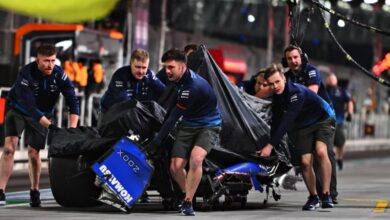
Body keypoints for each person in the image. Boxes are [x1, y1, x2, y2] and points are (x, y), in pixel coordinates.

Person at [0, 44, 80, 207]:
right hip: (18, 109)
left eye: (52, 60)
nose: (50, 65)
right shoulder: (26, 73)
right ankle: (0, 191)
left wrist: (72, 129)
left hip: (44, 113)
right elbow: (30, 107)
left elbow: (72, 100)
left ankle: (34, 190)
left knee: (33, 153)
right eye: (46, 61)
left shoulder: (60, 75)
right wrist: (51, 127)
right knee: (9, 148)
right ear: (37, 60)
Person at [148, 48, 222, 216]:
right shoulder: (179, 79)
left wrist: (158, 140)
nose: (167, 71)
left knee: (196, 159)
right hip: (188, 124)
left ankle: (188, 202)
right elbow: (171, 106)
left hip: (208, 125)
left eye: (170, 67)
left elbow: (174, 116)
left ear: (182, 67)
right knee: (175, 167)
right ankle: (186, 195)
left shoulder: (192, 87)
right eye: (166, 67)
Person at [258, 63, 335, 211]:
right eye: (271, 84)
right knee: (305, 162)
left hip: (323, 119)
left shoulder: (296, 93)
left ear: (284, 79)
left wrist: (270, 146)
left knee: (320, 151)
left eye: (277, 82)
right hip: (303, 126)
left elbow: (287, 121)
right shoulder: (277, 98)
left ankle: (326, 194)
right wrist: (270, 143)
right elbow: (276, 123)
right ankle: (314, 197)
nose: (275, 86)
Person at [283, 45, 338, 204]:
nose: (293, 61)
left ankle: (329, 194)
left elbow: (311, 93)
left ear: (302, 57)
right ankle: (318, 195)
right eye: (289, 58)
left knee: (323, 152)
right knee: (307, 160)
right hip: (304, 121)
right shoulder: (286, 77)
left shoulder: (311, 71)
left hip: (323, 117)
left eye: (296, 57)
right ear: (285, 61)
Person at [99, 48, 166, 114]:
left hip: (133, 113)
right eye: (137, 67)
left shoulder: (149, 75)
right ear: (131, 64)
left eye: (144, 67)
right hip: (109, 113)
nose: (141, 71)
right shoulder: (120, 75)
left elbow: (164, 91)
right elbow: (123, 102)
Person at [326, 73, 354, 170]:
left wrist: (350, 113)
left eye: (333, 79)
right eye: (329, 79)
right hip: (326, 122)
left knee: (341, 143)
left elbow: (349, 101)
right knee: (328, 144)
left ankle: (339, 158)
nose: (331, 81)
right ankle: (330, 160)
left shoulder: (342, 91)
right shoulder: (323, 91)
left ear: (336, 81)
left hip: (339, 121)